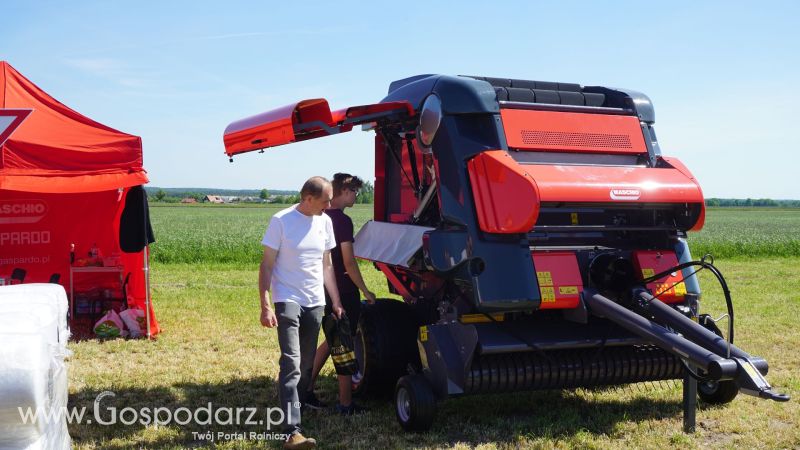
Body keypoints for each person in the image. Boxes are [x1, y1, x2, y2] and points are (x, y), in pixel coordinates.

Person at [259, 176, 343, 450]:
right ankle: (291, 431)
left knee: (306, 364)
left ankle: (296, 403)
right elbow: (267, 265)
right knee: (292, 361)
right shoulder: (281, 221)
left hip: (314, 301)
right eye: (325, 200)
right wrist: (265, 303)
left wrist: (336, 300)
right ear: (308, 198)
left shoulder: (325, 222)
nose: (330, 204)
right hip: (287, 298)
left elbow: (326, 266)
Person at [305, 173, 377, 415]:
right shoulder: (343, 222)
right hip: (343, 291)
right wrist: (365, 290)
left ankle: (305, 389)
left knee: (331, 340)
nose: (356, 195)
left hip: (323, 289)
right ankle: (345, 403)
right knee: (344, 344)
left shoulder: (320, 217)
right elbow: (349, 262)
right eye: (355, 191)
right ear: (344, 192)